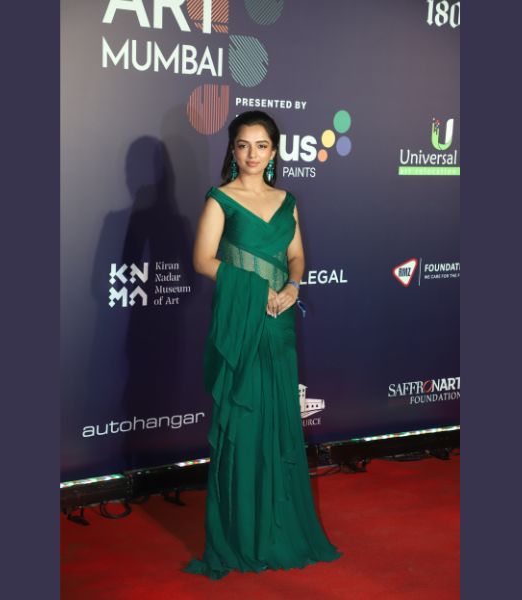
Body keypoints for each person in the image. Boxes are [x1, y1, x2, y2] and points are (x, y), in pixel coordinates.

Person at [184, 111, 342, 579]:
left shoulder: (287, 201)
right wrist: (257, 292)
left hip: (280, 324)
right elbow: (202, 260)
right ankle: (240, 533)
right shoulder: (221, 200)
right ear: (232, 150)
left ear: (274, 152)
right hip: (244, 324)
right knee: (244, 422)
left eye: (261, 145)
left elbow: (296, 255)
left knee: (278, 422)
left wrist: (293, 286)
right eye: (243, 145)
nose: (251, 154)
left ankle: (279, 529)